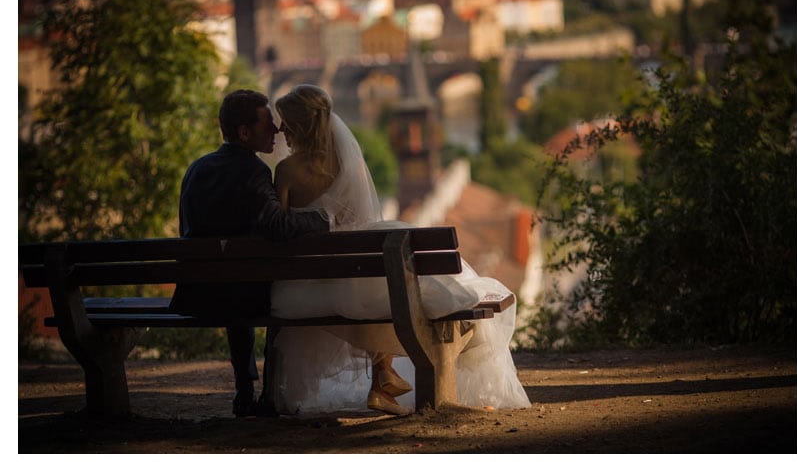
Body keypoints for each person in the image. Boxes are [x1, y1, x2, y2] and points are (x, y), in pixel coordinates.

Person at [265, 84, 531, 416]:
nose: (280, 129)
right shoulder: (351, 165)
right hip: (352, 274)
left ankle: (383, 379)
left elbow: (283, 228)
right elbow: (361, 220)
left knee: (372, 290)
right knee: (386, 282)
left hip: (307, 284)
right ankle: (382, 377)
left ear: (299, 126)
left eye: (285, 122)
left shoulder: (287, 171)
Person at [170, 89, 331, 417]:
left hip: (198, 293)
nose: (275, 131)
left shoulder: (196, 170)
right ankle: (269, 392)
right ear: (244, 133)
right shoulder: (254, 172)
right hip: (244, 295)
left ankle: (244, 389)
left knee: (237, 282)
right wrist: (323, 218)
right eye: (267, 125)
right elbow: (277, 226)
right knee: (281, 291)